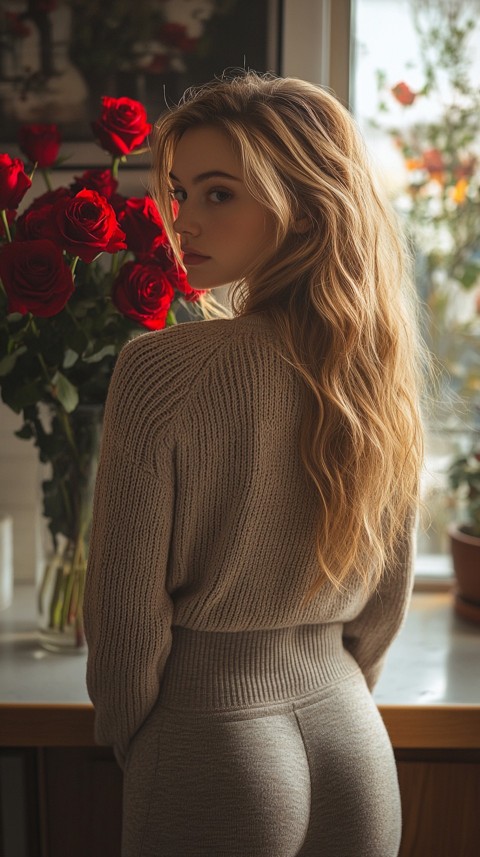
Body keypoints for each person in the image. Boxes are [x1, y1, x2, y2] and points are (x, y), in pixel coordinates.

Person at [84, 71, 425, 857]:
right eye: (178, 193)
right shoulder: (375, 372)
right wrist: (331, 684)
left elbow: (127, 620)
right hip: (353, 737)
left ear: (302, 207)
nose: (182, 222)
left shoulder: (160, 369)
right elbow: (384, 605)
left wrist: (143, 743)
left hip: (212, 737)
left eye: (217, 194)